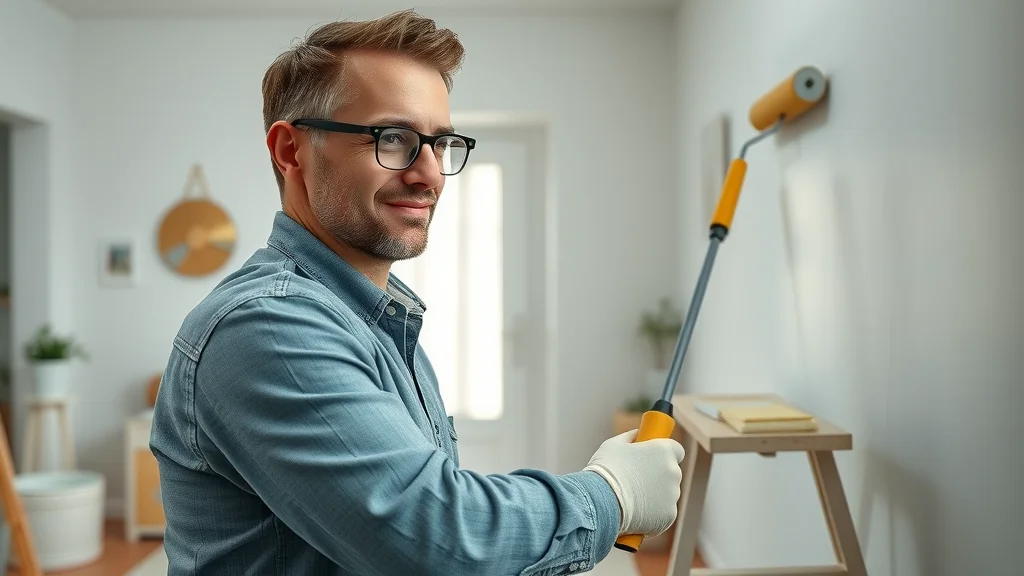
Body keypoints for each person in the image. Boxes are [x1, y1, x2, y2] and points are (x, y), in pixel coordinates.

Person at [150, 9, 686, 575]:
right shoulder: (267, 327)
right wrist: (612, 494)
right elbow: (438, 538)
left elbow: (432, 495)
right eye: (393, 138)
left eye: (440, 143)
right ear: (291, 151)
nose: (429, 174)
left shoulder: (382, 321)